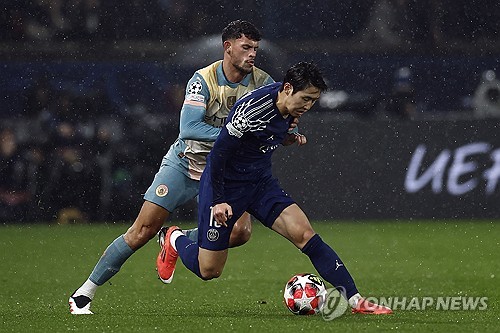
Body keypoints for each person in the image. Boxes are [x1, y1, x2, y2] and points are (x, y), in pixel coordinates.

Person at [69, 20, 275, 314]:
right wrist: (235, 136)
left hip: (223, 173)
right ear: (227, 48)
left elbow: (275, 118)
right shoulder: (202, 80)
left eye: (255, 48)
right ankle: (84, 293)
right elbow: (189, 127)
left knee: (241, 232)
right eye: (246, 47)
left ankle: (173, 238)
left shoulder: (263, 83)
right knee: (142, 230)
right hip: (185, 164)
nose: (252, 54)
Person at [156, 62, 393, 315]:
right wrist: (218, 200)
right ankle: (174, 238)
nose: (307, 106)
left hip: (260, 184)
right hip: (226, 187)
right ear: (288, 89)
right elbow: (218, 156)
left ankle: (356, 301)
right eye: (305, 99)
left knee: (305, 234)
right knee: (209, 270)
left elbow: (266, 135)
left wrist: (287, 138)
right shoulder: (250, 111)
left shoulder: (290, 109)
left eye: (313, 101)